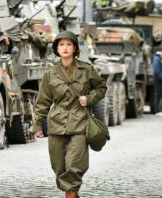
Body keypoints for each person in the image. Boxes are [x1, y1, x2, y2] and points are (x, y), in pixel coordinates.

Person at [33, 31, 107, 198]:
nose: (65, 48)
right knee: (58, 167)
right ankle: (71, 191)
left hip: (80, 122)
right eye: (61, 45)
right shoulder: (50, 74)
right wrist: (37, 125)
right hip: (56, 124)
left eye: (68, 44)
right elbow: (42, 102)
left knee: (75, 164)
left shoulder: (87, 70)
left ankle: (71, 193)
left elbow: (101, 88)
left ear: (75, 48)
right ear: (56, 49)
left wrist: (89, 98)